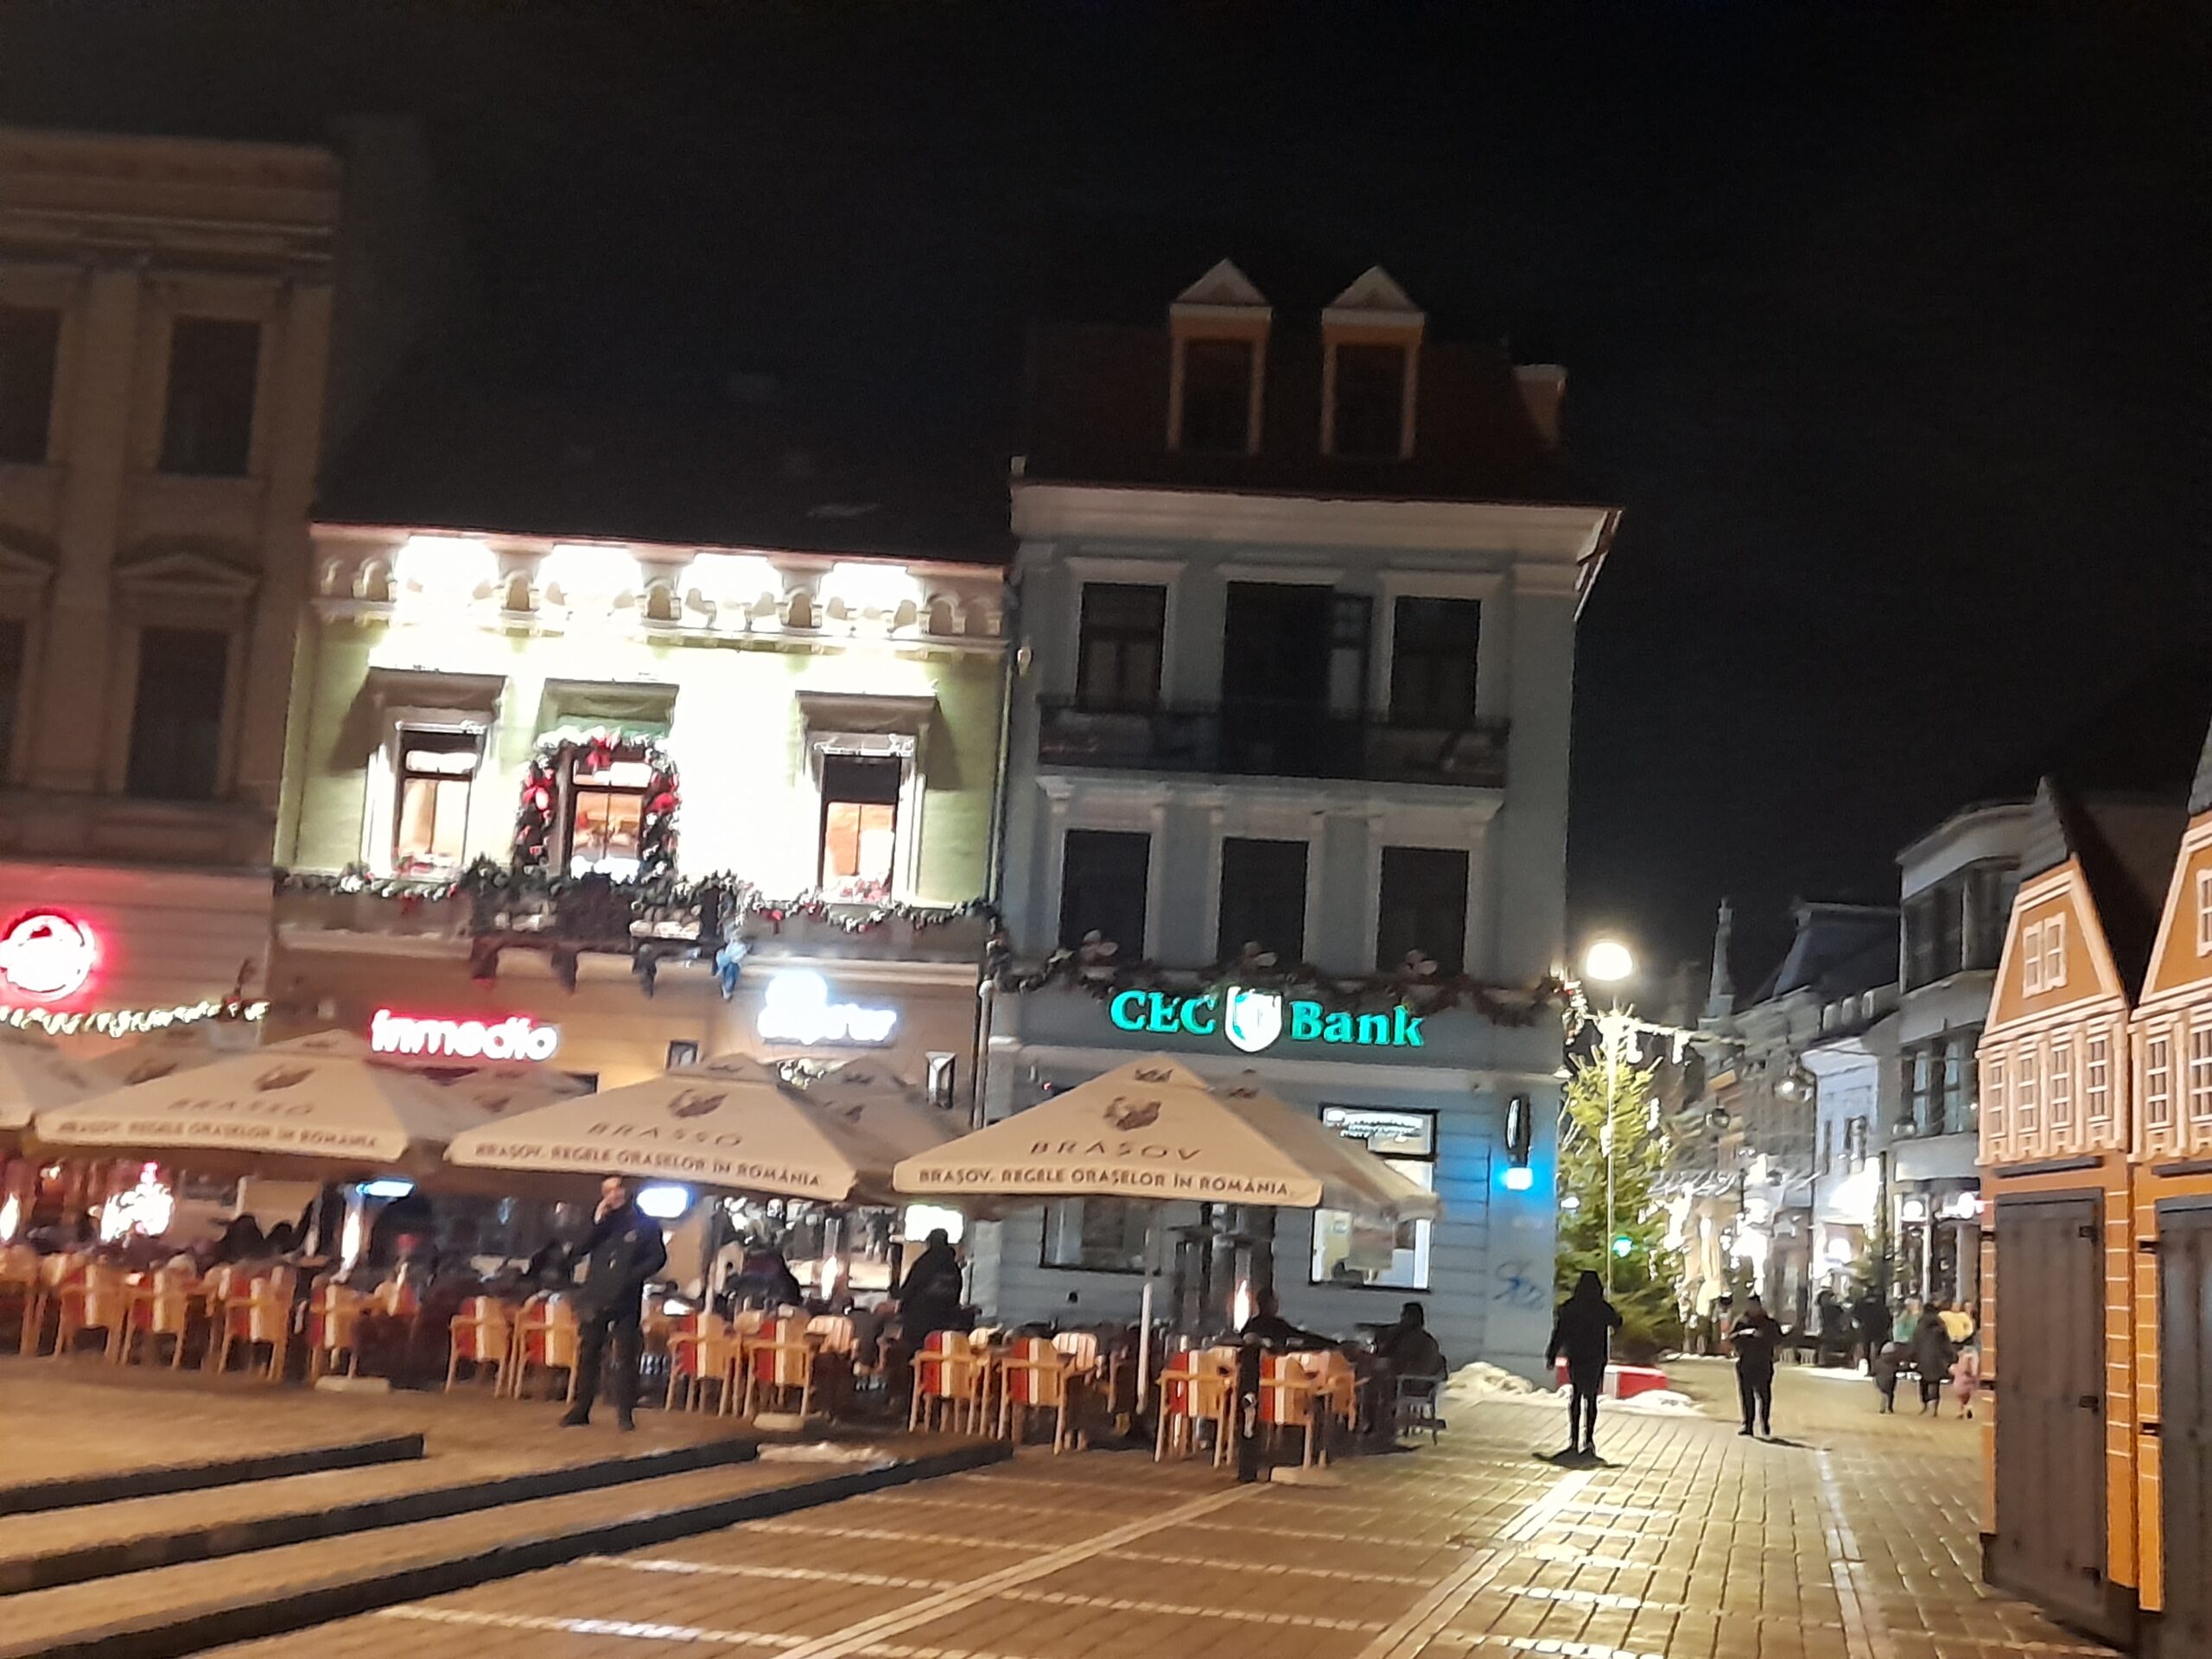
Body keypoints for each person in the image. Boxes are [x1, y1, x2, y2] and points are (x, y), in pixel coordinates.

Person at [561, 1175, 667, 1432]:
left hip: (626, 1299)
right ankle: (581, 1409)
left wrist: (631, 1277)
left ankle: (625, 1413)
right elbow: (578, 1250)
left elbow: (657, 1258)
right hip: (595, 1297)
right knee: (589, 1353)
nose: (613, 1195)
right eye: (607, 1191)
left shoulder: (646, 1225)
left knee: (626, 1355)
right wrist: (597, 1220)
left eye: (617, 1189)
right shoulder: (602, 1224)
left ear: (627, 1191)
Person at [1546, 1270, 1623, 1459]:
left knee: (1576, 1395)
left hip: (1576, 1356)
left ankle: (1573, 1441)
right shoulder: (1601, 1308)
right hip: (1596, 1358)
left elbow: (1559, 1334)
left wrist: (1552, 1355)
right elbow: (1618, 1322)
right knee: (1591, 1398)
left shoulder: (1570, 1307)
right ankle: (1588, 1440)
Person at [894, 1228, 965, 1342]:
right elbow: (957, 1292)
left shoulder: (924, 1263)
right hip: (946, 1318)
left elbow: (909, 1289)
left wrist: (898, 1295)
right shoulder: (953, 1268)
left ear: (930, 1243)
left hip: (920, 1319)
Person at [1727, 1294, 1783, 1438]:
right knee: (1747, 1395)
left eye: (1755, 1306)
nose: (1753, 1308)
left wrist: (1776, 1354)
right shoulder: (1742, 1321)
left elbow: (1779, 1341)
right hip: (1745, 1363)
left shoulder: (1769, 1323)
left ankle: (1765, 1422)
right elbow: (1731, 1338)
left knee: (1764, 1395)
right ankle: (1748, 1424)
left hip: (1763, 1363)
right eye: (1751, 1306)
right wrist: (1745, 1333)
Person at [1239, 1288, 1332, 1351]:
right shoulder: (1277, 1325)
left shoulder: (1251, 1324)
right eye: (1275, 1301)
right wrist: (1328, 1344)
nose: (1277, 1305)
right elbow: (1300, 1336)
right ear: (1268, 1303)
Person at [1374, 1300, 1447, 1378]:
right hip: (1427, 1382)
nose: (1401, 1319)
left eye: (1403, 1316)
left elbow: (1398, 1364)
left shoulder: (1410, 1339)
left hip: (1409, 1381)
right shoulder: (1429, 1340)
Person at [1910, 1304, 1956, 1415]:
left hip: (1922, 1358)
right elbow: (1946, 1343)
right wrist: (1951, 1357)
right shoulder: (1940, 1326)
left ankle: (1925, 1405)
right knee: (1935, 1382)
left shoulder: (1919, 1327)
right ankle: (1934, 1409)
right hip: (1938, 1359)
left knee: (1924, 1382)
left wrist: (1912, 1358)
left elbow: (1915, 1343)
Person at [1852, 1287, 1890, 1371]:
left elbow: (1855, 1316)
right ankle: (1874, 1367)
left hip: (1865, 1327)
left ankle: (1865, 1366)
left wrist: (1859, 1324)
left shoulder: (1860, 1302)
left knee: (1865, 1348)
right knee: (1875, 1348)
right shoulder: (1880, 1303)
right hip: (1878, 1327)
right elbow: (1885, 1316)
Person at [1871, 1340, 1904, 1413]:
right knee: (1890, 1393)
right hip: (1890, 1380)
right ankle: (1889, 1407)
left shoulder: (1878, 1361)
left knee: (1884, 1393)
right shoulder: (1894, 1362)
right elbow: (1898, 1369)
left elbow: (1873, 1371)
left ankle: (1883, 1406)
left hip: (1879, 1381)